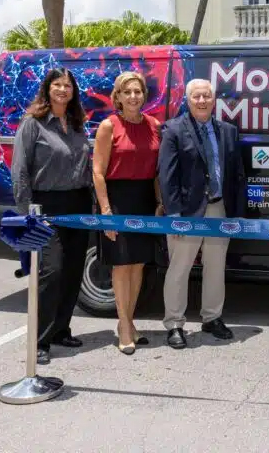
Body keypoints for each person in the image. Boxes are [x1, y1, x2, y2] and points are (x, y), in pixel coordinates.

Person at [11, 67, 92, 365]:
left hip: (79, 204)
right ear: (47, 89)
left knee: (72, 272)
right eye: (57, 85)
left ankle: (61, 330)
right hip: (45, 207)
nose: (63, 90)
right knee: (51, 271)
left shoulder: (77, 123)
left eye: (68, 85)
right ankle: (40, 341)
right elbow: (19, 169)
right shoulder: (33, 124)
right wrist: (26, 213)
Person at [158, 78, 246, 348]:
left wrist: (237, 213)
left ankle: (212, 318)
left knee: (216, 266)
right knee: (179, 267)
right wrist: (173, 214)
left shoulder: (228, 131)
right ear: (188, 99)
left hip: (219, 208)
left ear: (214, 98)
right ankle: (174, 323)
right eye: (196, 96)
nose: (202, 101)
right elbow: (167, 174)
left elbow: (237, 175)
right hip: (186, 212)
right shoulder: (173, 129)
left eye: (207, 96)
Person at [92, 71, 162, 355]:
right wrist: (106, 212)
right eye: (127, 92)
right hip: (117, 200)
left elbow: (157, 170)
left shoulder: (155, 125)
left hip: (145, 200)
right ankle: (123, 326)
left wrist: (159, 202)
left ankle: (130, 322)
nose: (133, 96)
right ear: (118, 97)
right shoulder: (109, 126)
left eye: (138, 91)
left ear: (144, 95)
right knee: (121, 266)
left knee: (138, 265)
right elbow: (97, 172)